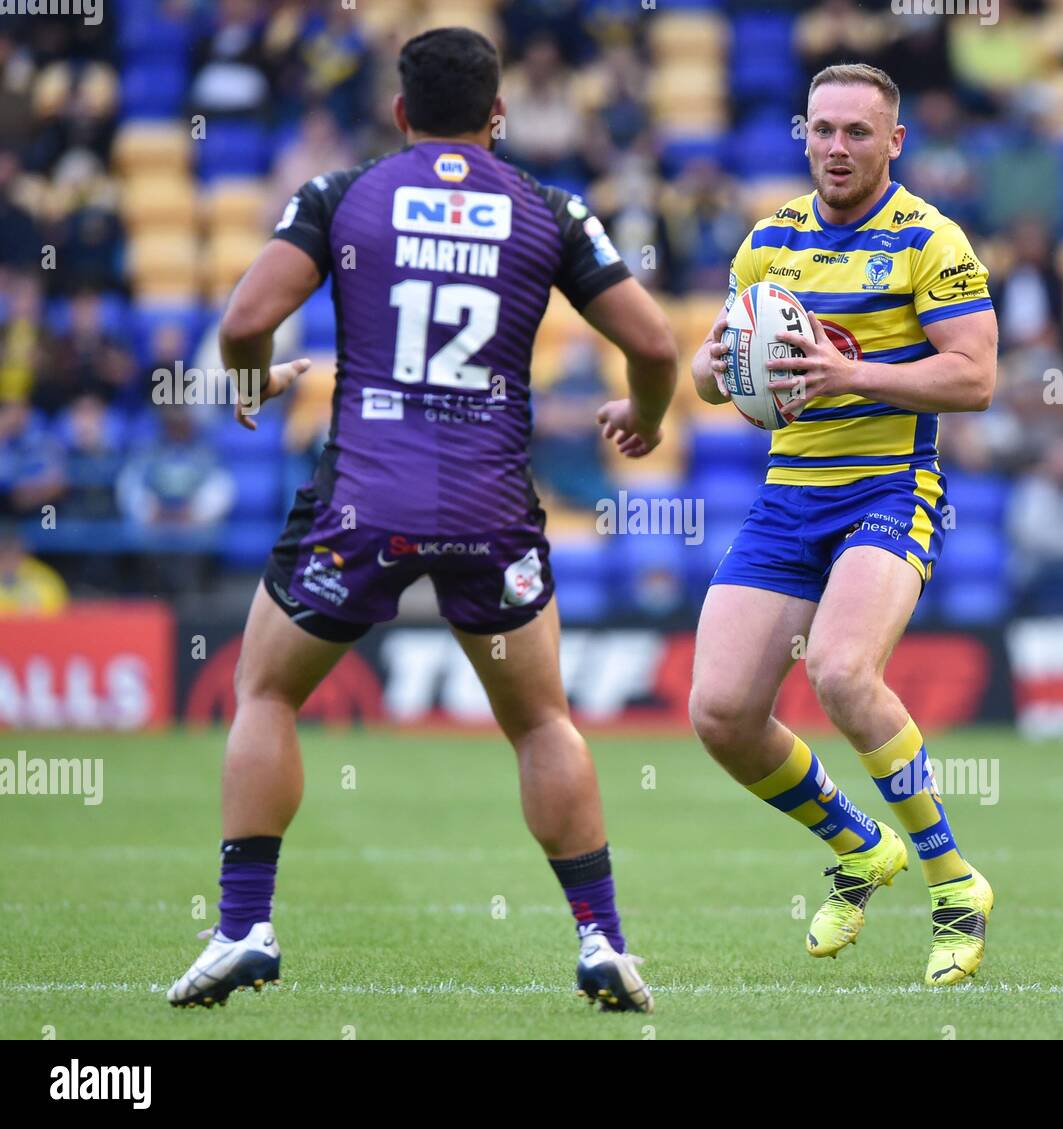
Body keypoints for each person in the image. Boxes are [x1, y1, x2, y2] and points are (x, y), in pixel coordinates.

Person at [167, 27, 676, 1013]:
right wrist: (643, 417)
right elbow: (654, 343)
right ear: (500, 114)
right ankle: (602, 939)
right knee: (540, 720)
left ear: (398, 112)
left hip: (364, 498)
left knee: (265, 692)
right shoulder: (550, 209)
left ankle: (242, 927)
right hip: (491, 502)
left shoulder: (341, 194)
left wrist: (249, 383)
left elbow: (238, 324)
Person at [689, 64, 998, 986]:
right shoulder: (769, 240)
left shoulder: (930, 241)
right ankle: (861, 847)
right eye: (822, 129)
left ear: (893, 141)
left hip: (888, 487)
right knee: (720, 714)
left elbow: (975, 376)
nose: (836, 147)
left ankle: (955, 885)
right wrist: (713, 363)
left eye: (858, 132)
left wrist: (851, 373)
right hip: (789, 496)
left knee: (838, 669)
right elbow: (712, 379)